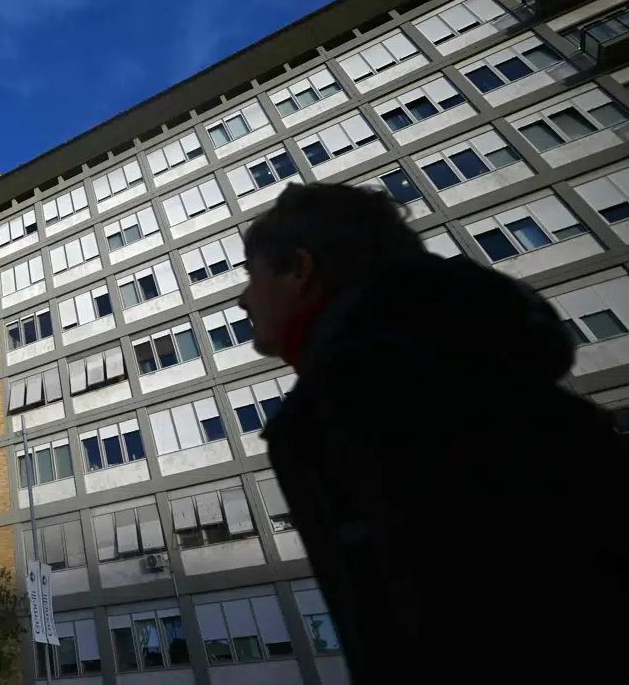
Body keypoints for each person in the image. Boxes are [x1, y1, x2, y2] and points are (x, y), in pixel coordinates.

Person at [239, 182, 629, 683]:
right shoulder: (465, 366)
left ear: (299, 269)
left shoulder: (379, 393)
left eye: (252, 275)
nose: (243, 298)